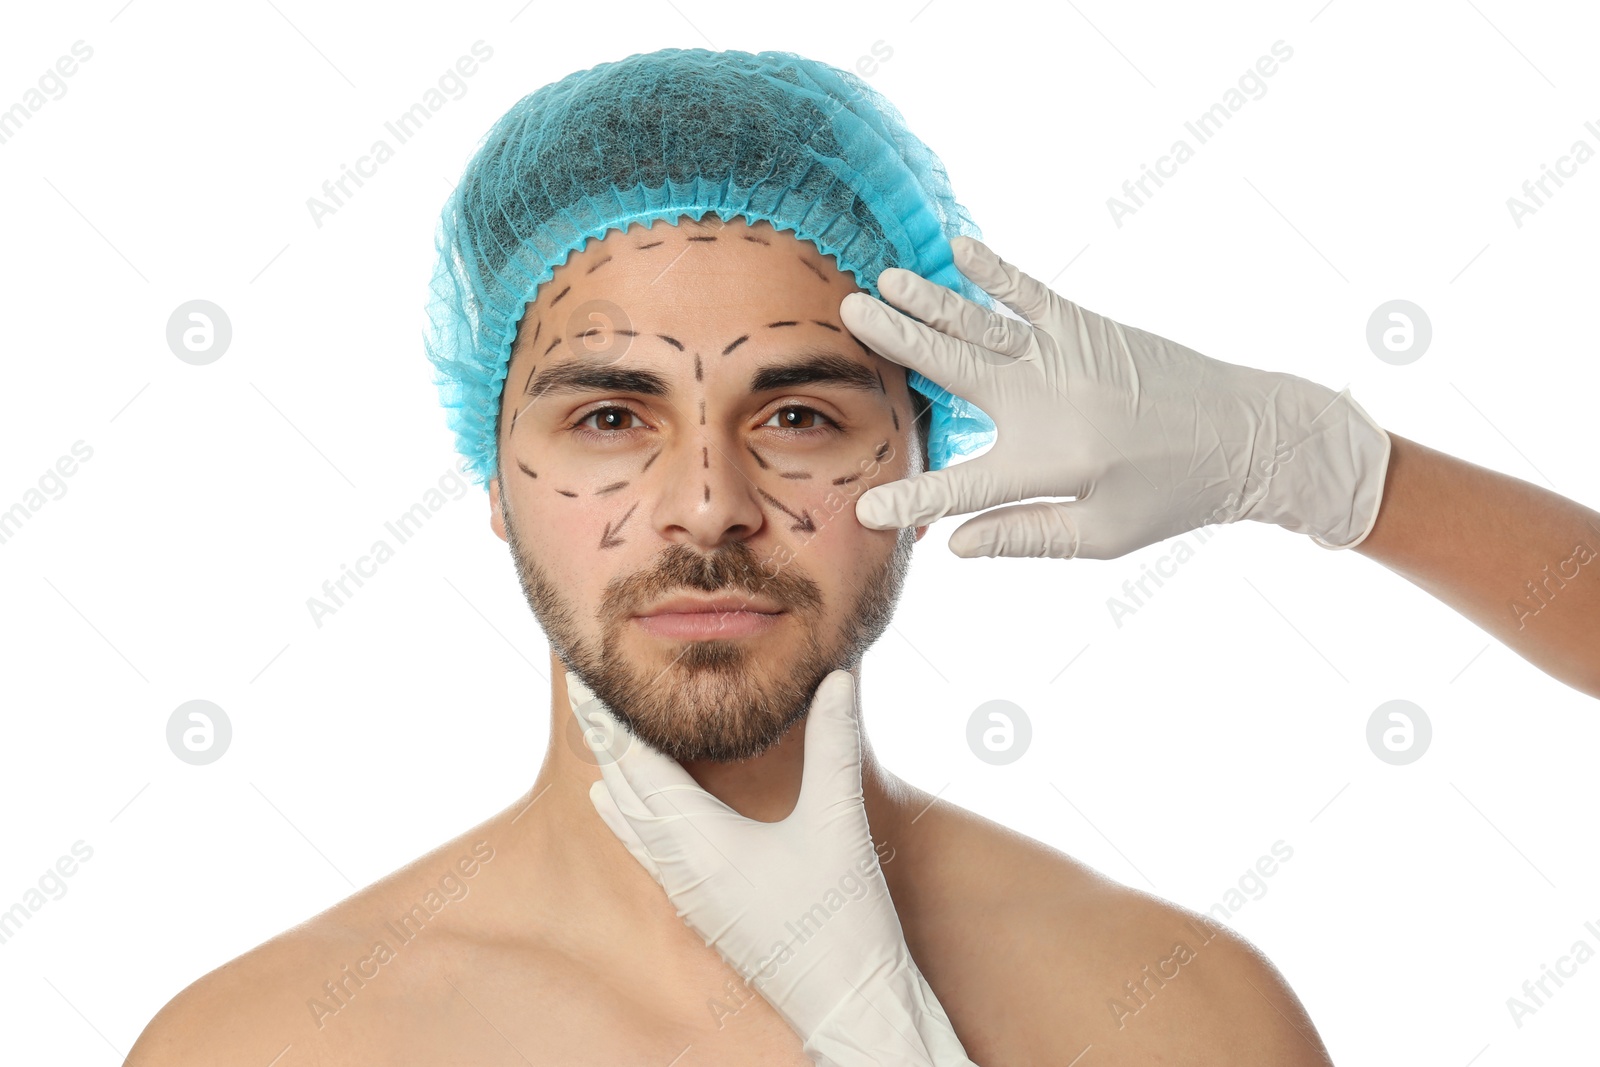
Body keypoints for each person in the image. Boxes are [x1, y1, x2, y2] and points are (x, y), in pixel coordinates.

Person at [125, 48, 1342, 1066]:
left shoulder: (1178, 1018)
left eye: (800, 416)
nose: (707, 507)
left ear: (925, 458)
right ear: (490, 479)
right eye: (609, 418)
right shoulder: (267, 1043)